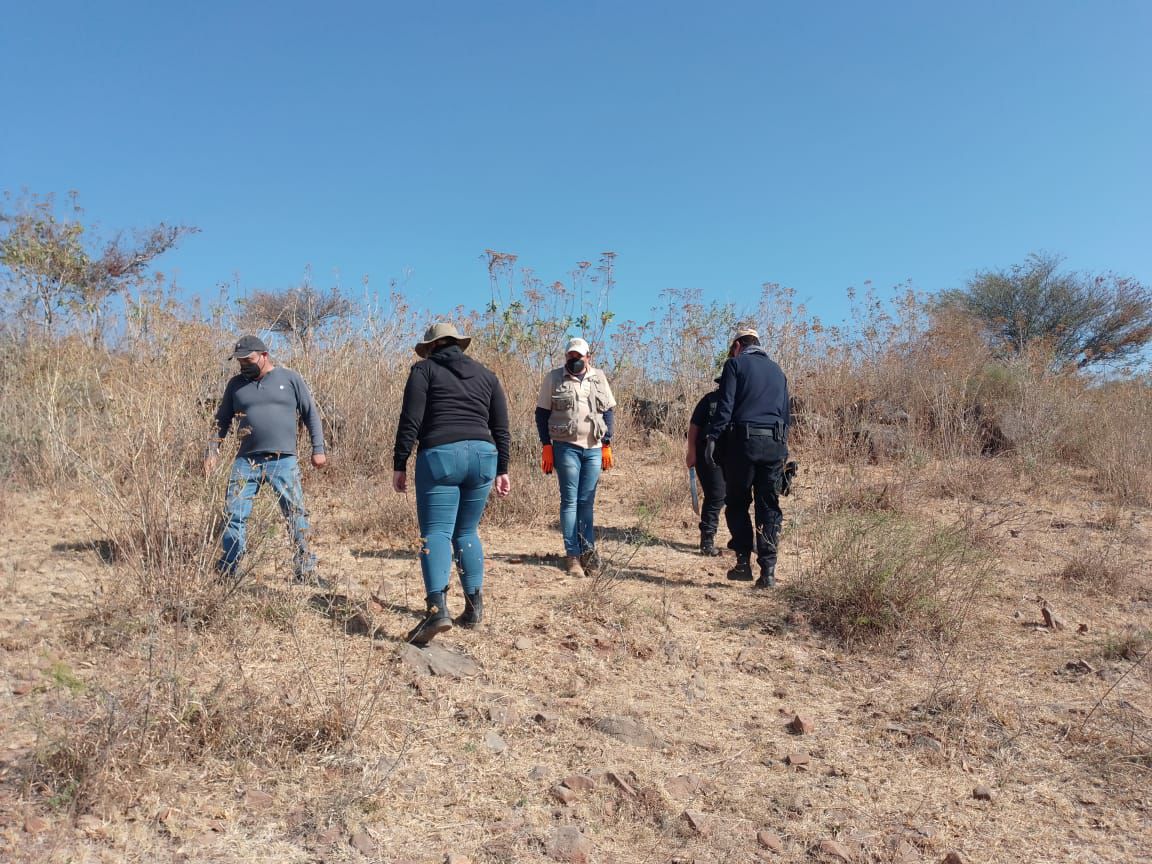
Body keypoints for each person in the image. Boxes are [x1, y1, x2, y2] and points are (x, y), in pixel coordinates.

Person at [393, 323, 511, 645]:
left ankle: (436, 611)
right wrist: (503, 469)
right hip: (484, 456)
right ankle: (473, 609)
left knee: (437, 533)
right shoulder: (487, 375)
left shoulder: (424, 370)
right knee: (467, 531)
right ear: (459, 345)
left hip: (441, 455)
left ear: (431, 346)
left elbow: (411, 419)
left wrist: (399, 463)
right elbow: (501, 425)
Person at [204, 335, 328, 585]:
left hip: (283, 460)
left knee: (295, 514)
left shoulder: (290, 378)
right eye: (239, 361)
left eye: (248, 359)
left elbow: (310, 413)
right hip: (246, 462)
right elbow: (221, 421)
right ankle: (229, 569)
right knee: (234, 514)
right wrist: (212, 451)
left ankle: (305, 570)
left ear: (264, 355)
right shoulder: (235, 385)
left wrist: (318, 448)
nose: (243, 365)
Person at [704, 325, 790, 588]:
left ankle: (743, 564)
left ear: (738, 346)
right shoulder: (778, 371)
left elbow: (725, 405)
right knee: (769, 506)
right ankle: (768, 572)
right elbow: (786, 415)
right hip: (775, 444)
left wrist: (713, 438)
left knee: (738, 502)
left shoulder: (735, 365)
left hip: (744, 444)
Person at [535, 337, 616, 577]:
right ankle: (572, 556)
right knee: (569, 501)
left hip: (593, 448)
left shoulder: (598, 377)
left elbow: (608, 410)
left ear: (588, 356)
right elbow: (541, 413)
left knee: (586, 501)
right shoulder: (554, 378)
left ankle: (588, 551)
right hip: (565, 447)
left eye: (578, 356)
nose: (574, 360)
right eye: (570, 356)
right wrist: (546, 446)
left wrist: (607, 443)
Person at [685, 377, 727, 556]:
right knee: (716, 495)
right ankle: (707, 541)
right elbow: (694, 427)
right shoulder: (709, 401)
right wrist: (691, 451)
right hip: (707, 455)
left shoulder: (742, 401)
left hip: (732, 457)